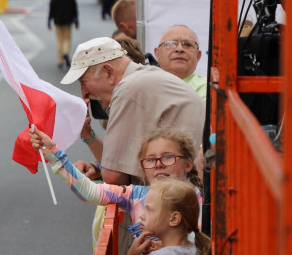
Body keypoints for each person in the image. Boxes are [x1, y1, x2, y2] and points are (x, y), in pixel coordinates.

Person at [61, 36, 204, 186]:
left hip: (177, 196)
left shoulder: (128, 89)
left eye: (84, 83)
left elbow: (113, 177)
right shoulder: (143, 78)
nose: (84, 93)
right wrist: (88, 135)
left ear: (109, 72)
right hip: (187, 191)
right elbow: (117, 167)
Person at [29, 125, 202, 249]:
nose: (158, 165)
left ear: (188, 164)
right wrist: (54, 153)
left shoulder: (202, 203)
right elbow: (91, 192)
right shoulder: (135, 195)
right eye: (150, 160)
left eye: (168, 157)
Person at [154, 24, 208, 101]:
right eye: (171, 44)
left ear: (198, 56)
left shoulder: (209, 88)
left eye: (187, 45)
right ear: (158, 54)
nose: (179, 49)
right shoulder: (145, 86)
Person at [48, 0, 79, 69]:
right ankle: (66, 53)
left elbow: (51, 9)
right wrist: (76, 20)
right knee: (67, 39)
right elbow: (74, 8)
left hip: (57, 21)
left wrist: (49, 21)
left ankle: (60, 60)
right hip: (68, 21)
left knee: (59, 40)